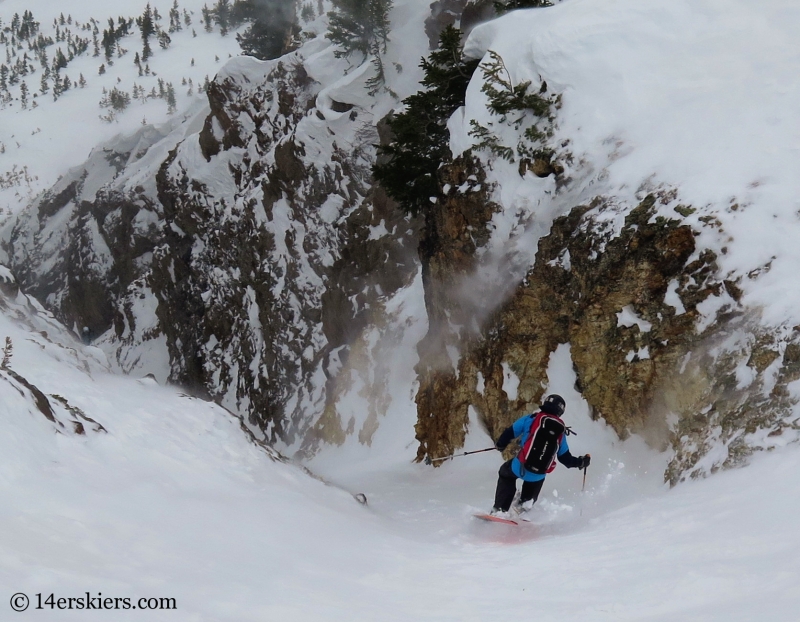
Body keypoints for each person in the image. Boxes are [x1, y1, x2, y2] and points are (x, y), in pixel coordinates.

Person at [490, 394, 590, 518]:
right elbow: (565, 459)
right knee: (529, 497)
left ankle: (500, 510)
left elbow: (509, 432)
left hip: (519, 466)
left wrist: (500, 445)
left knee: (505, 474)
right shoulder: (560, 431)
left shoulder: (531, 418)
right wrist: (581, 462)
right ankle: (522, 511)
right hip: (538, 475)